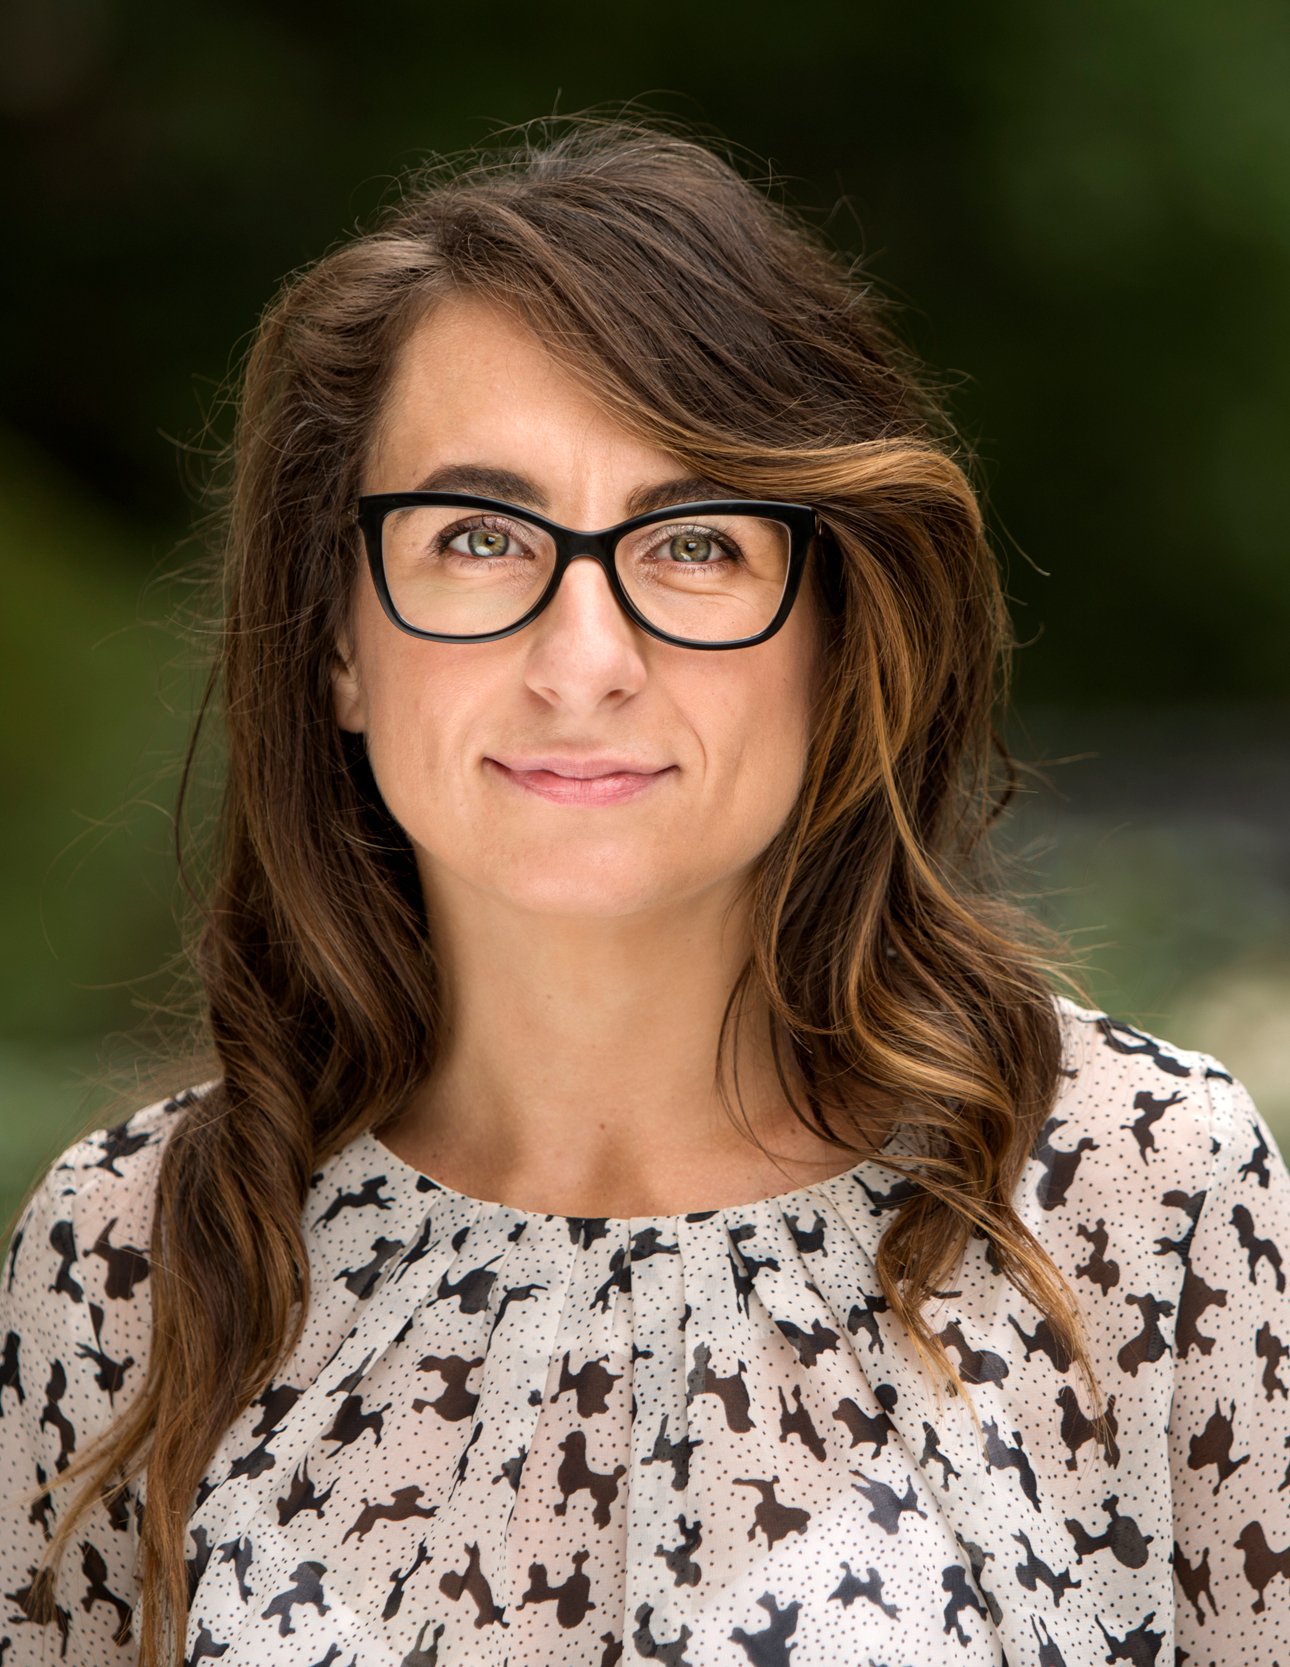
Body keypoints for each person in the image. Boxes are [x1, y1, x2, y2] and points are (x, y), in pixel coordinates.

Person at [1, 114, 1287, 1667]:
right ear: (337, 638)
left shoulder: (1134, 1197)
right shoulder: (137, 1251)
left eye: (690, 544)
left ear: (832, 628)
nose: (582, 663)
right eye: (477, 536)